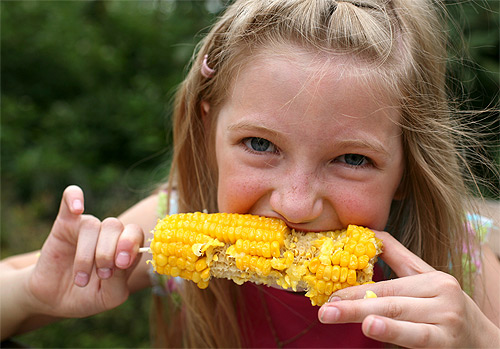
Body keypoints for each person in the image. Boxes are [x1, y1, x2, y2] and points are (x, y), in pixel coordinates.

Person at [1, 0, 499, 347]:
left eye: (352, 159)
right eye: (260, 145)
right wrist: (30, 296)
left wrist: (479, 341)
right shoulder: (170, 221)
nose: (295, 203)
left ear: (409, 168)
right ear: (209, 131)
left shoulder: (454, 262)